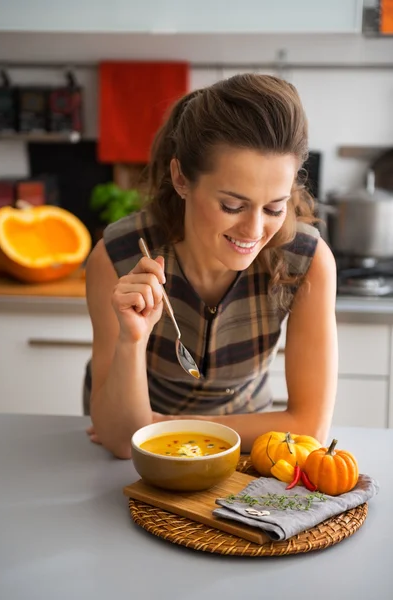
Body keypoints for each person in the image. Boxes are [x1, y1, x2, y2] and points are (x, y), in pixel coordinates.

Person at [84, 73, 338, 459]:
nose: (254, 231)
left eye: (274, 207)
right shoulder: (117, 258)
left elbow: (309, 427)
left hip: (245, 453)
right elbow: (122, 440)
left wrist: (165, 427)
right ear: (181, 178)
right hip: (139, 459)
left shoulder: (307, 260)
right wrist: (132, 339)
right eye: (232, 206)